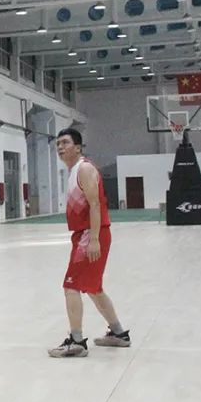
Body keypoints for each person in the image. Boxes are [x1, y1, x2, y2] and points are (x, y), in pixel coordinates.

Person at [48, 129, 130, 358]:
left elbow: (95, 205)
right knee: (93, 288)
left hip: (90, 234)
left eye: (65, 143)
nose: (60, 147)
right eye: (58, 144)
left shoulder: (84, 169)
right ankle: (119, 334)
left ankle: (76, 342)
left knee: (71, 286)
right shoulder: (74, 170)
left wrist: (93, 239)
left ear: (78, 147)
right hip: (86, 234)